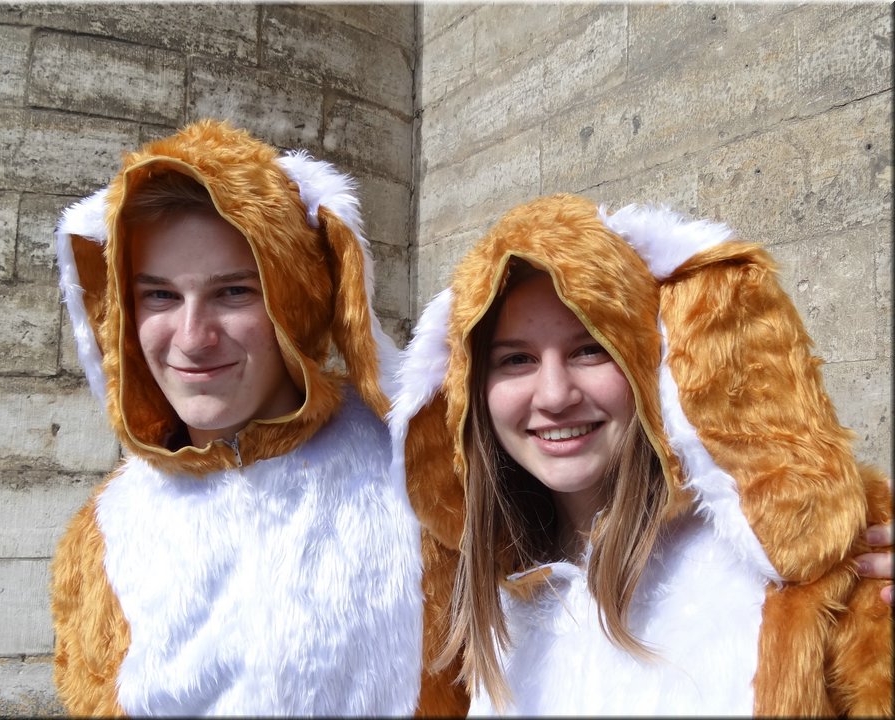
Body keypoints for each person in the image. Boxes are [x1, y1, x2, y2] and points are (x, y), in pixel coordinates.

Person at [391, 194, 893, 715]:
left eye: (591, 349)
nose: (555, 395)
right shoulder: (474, 602)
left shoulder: (822, 572)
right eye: (516, 360)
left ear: (653, 362)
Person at [49, 119, 426, 715]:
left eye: (234, 292)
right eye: (160, 295)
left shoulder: (426, 480)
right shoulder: (103, 538)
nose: (192, 338)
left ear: (296, 303)